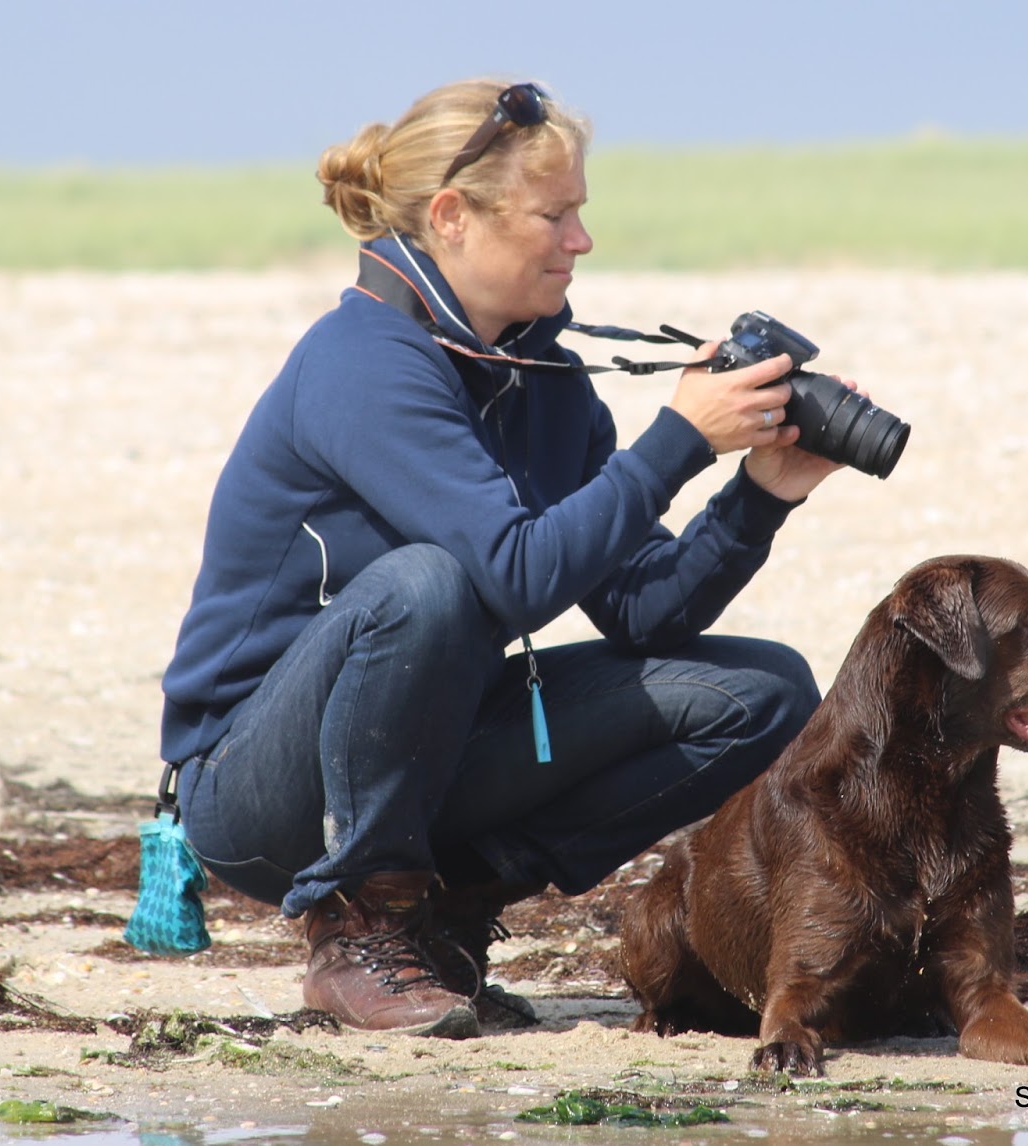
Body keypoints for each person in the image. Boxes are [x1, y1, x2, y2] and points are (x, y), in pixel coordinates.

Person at [160, 78, 859, 1039]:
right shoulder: (362, 360)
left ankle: (448, 914)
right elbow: (513, 574)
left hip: (420, 748)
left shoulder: (547, 382)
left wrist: (764, 490)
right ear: (451, 217)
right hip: (252, 787)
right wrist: (680, 440)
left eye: (581, 214)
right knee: (428, 584)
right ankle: (361, 928)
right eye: (556, 215)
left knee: (765, 692)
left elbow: (646, 611)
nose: (581, 241)